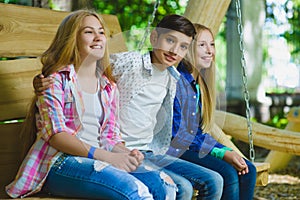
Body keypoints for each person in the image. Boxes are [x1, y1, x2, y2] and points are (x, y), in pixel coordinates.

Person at [33, 14, 225, 200]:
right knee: (176, 187)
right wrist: (39, 83)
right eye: (170, 41)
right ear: (154, 38)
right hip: (97, 154)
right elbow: (97, 68)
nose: (174, 50)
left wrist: (122, 152)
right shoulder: (129, 64)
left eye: (183, 46)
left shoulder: (172, 79)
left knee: (210, 181)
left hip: (143, 150)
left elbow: (108, 127)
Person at [5, 10, 177, 200]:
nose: (98, 37)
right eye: (88, 32)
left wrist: (127, 153)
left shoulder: (108, 86)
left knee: (165, 187)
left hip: (99, 159)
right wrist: (108, 157)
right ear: (72, 39)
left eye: (101, 32)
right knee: (135, 192)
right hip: (60, 162)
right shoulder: (55, 81)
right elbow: (56, 136)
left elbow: (109, 135)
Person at [167, 23, 257, 200]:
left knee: (248, 170)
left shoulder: (198, 85)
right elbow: (180, 136)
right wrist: (222, 153)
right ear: (187, 48)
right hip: (173, 149)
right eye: (202, 45)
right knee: (228, 174)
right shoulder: (178, 82)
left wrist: (224, 150)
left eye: (212, 44)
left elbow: (198, 133)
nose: (210, 50)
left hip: (189, 146)